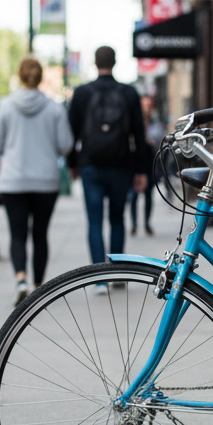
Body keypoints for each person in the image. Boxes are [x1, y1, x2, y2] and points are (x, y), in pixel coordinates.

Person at [0, 57, 74, 306]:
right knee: (40, 234)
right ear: (40, 78)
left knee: (17, 234)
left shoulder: (6, 106)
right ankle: (38, 287)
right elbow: (66, 145)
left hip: (13, 181)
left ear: (19, 76)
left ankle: (21, 280)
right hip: (45, 181)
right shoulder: (54, 108)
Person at [67, 46, 149, 287]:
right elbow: (139, 134)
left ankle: (98, 280)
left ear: (95, 62)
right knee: (117, 219)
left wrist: (73, 164)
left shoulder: (81, 93)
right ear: (114, 62)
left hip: (91, 166)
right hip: (121, 165)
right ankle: (117, 274)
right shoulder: (129, 93)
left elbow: (71, 133)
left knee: (94, 221)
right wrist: (141, 169)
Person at [130, 94, 165, 236]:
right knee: (133, 195)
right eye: (143, 105)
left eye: (149, 105)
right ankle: (134, 224)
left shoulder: (156, 125)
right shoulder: (132, 123)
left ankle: (146, 223)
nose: (146, 108)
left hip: (151, 164)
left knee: (148, 195)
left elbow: (161, 144)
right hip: (135, 164)